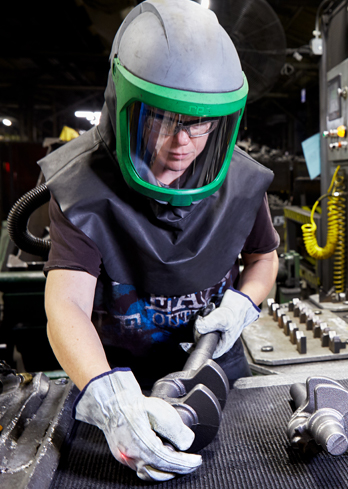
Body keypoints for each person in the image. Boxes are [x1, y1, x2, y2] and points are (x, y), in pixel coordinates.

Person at [39, 0, 279, 482]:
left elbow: (263, 259)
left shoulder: (241, 182)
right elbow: (65, 306)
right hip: (122, 380)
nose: (182, 144)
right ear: (123, 104)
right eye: (163, 120)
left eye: (198, 124)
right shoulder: (82, 189)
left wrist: (243, 304)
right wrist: (108, 399)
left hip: (214, 375)